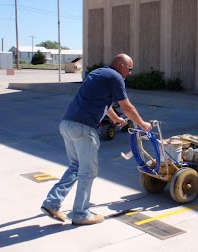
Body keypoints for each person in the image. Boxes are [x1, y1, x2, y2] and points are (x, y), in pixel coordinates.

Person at [41, 53, 152, 225]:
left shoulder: (98, 73)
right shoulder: (116, 77)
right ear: (122, 65)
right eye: (129, 69)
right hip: (84, 128)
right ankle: (81, 214)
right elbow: (127, 106)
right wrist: (142, 123)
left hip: (68, 124)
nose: (129, 73)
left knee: (76, 167)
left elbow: (102, 103)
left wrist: (115, 118)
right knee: (88, 172)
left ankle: (51, 203)